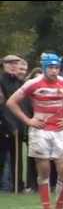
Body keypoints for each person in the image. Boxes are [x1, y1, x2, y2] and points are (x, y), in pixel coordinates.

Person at [6, 53, 63, 209]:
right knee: (44, 172)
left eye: (56, 68)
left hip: (59, 131)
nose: (54, 71)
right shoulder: (33, 83)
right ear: (44, 67)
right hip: (40, 132)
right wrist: (28, 120)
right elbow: (11, 102)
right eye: (51, 67)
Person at [0, 55, 26, 193]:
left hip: (18, 125)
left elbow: (23, 105)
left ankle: (17, 186)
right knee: (2, 157)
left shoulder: (20, 82)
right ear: (4, 65)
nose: (13, 66)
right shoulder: (0, 81)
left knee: (17, 159)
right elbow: (3, 106)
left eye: (16, 63)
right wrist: (11, 126)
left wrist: (22, 124)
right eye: (10, 63)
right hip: (3, 126)